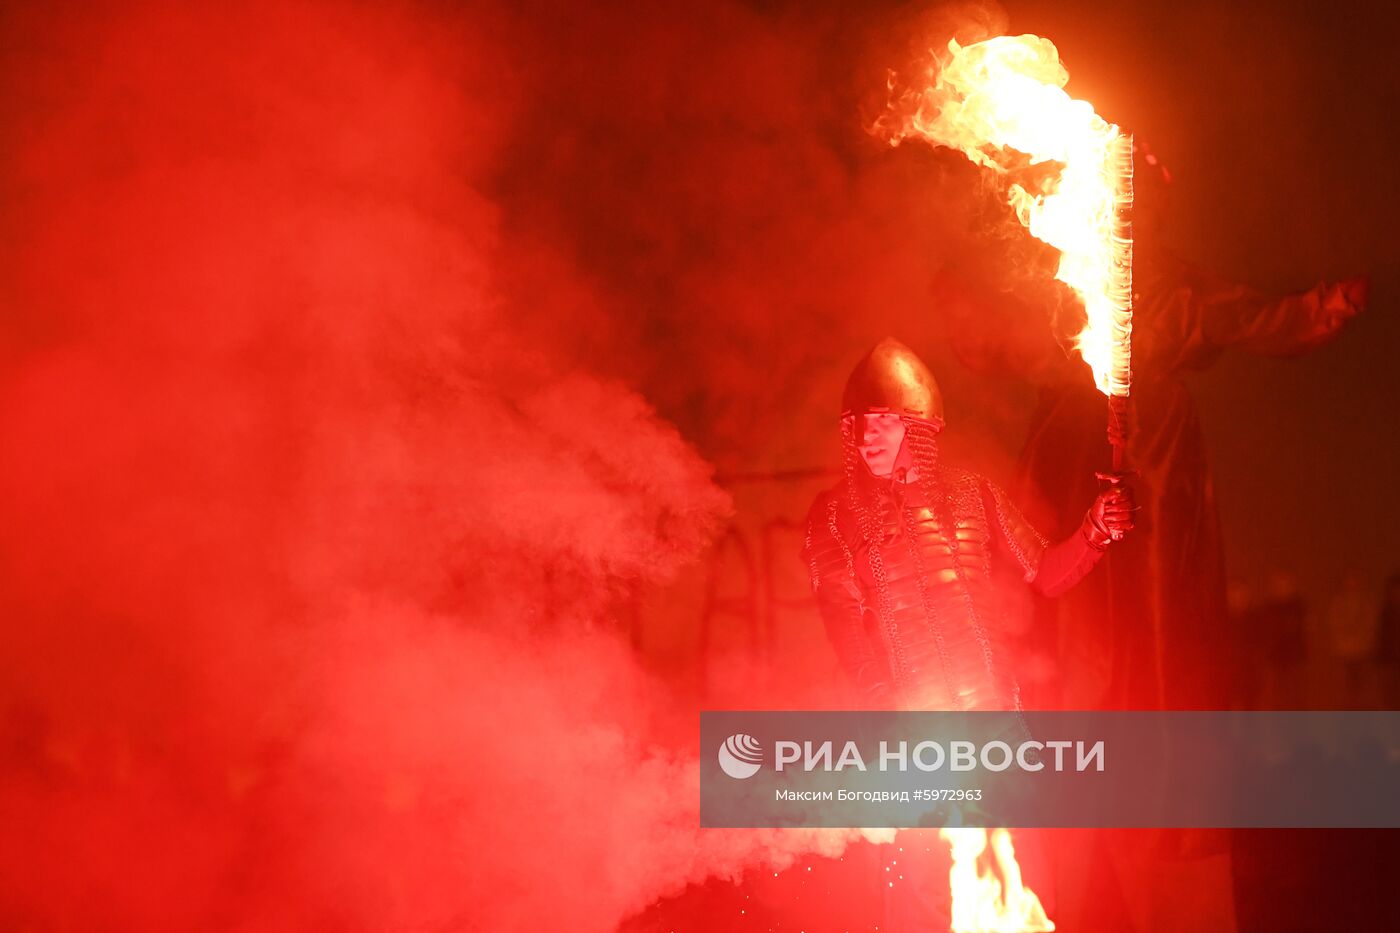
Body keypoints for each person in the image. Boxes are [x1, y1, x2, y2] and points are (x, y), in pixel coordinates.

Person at [800, 338, 1134, 932]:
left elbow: (1046, 573)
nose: (866, 438)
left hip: (999, 723)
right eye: (857, 426)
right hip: (914, 732)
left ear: (921, 426)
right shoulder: (833, 515)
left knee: (1025, 883)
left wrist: (1095, 529)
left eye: (884, 423)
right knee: (919, 898)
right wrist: (889, 712)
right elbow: (845, 630)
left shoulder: (974, 494)